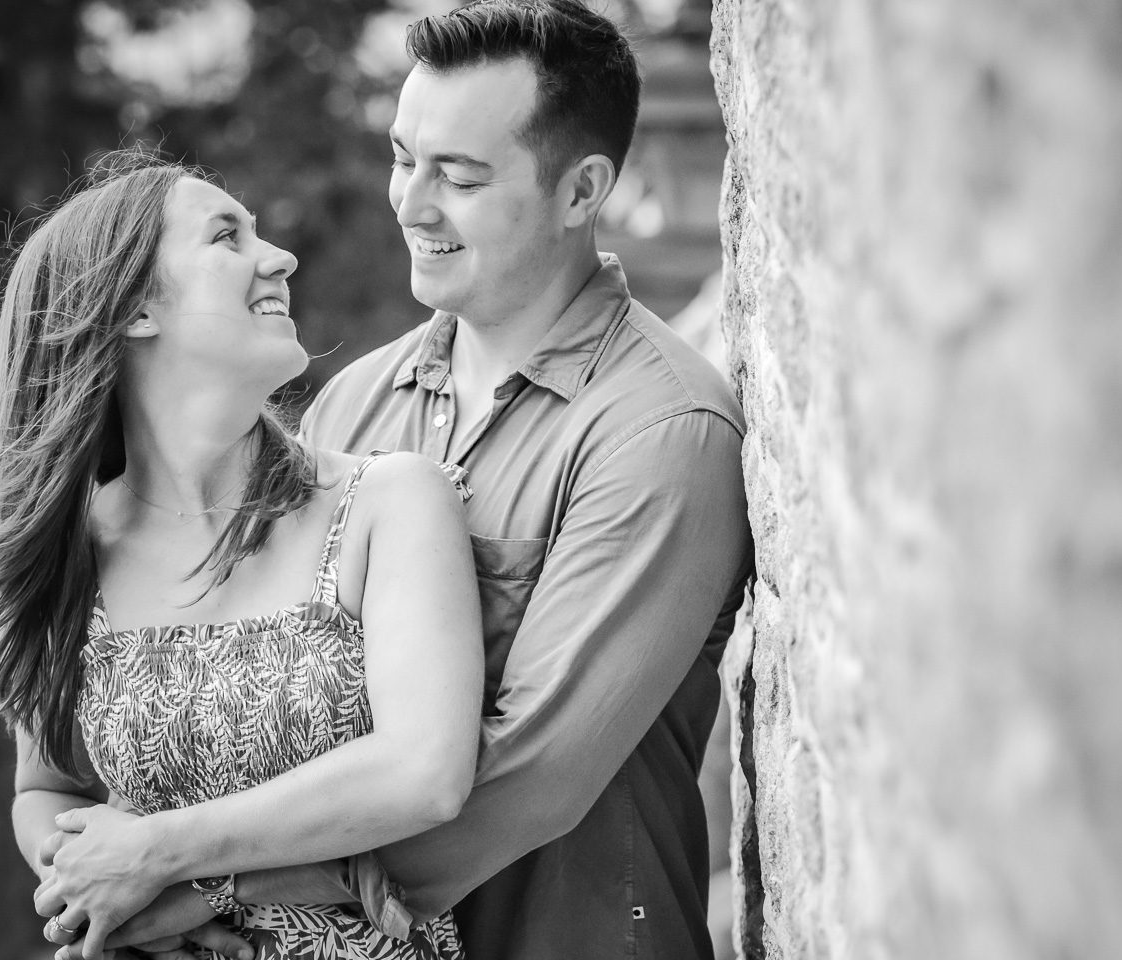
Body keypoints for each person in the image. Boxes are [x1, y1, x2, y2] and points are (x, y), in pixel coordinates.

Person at [291, 1, 755, 956]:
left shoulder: (662, 430)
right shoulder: (344, 409)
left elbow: (532, 776)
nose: (411, 203)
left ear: (582, 190)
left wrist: (221, 889)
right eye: (401, 158)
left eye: (459, 177)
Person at [0, 153, 483, 960]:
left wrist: (161, 861)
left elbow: (426, 773)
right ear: (134, 308)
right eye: (227, 236)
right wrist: (91, 888)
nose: (280, 258)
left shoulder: (389, 504)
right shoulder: (66, 557)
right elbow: (46, 789)